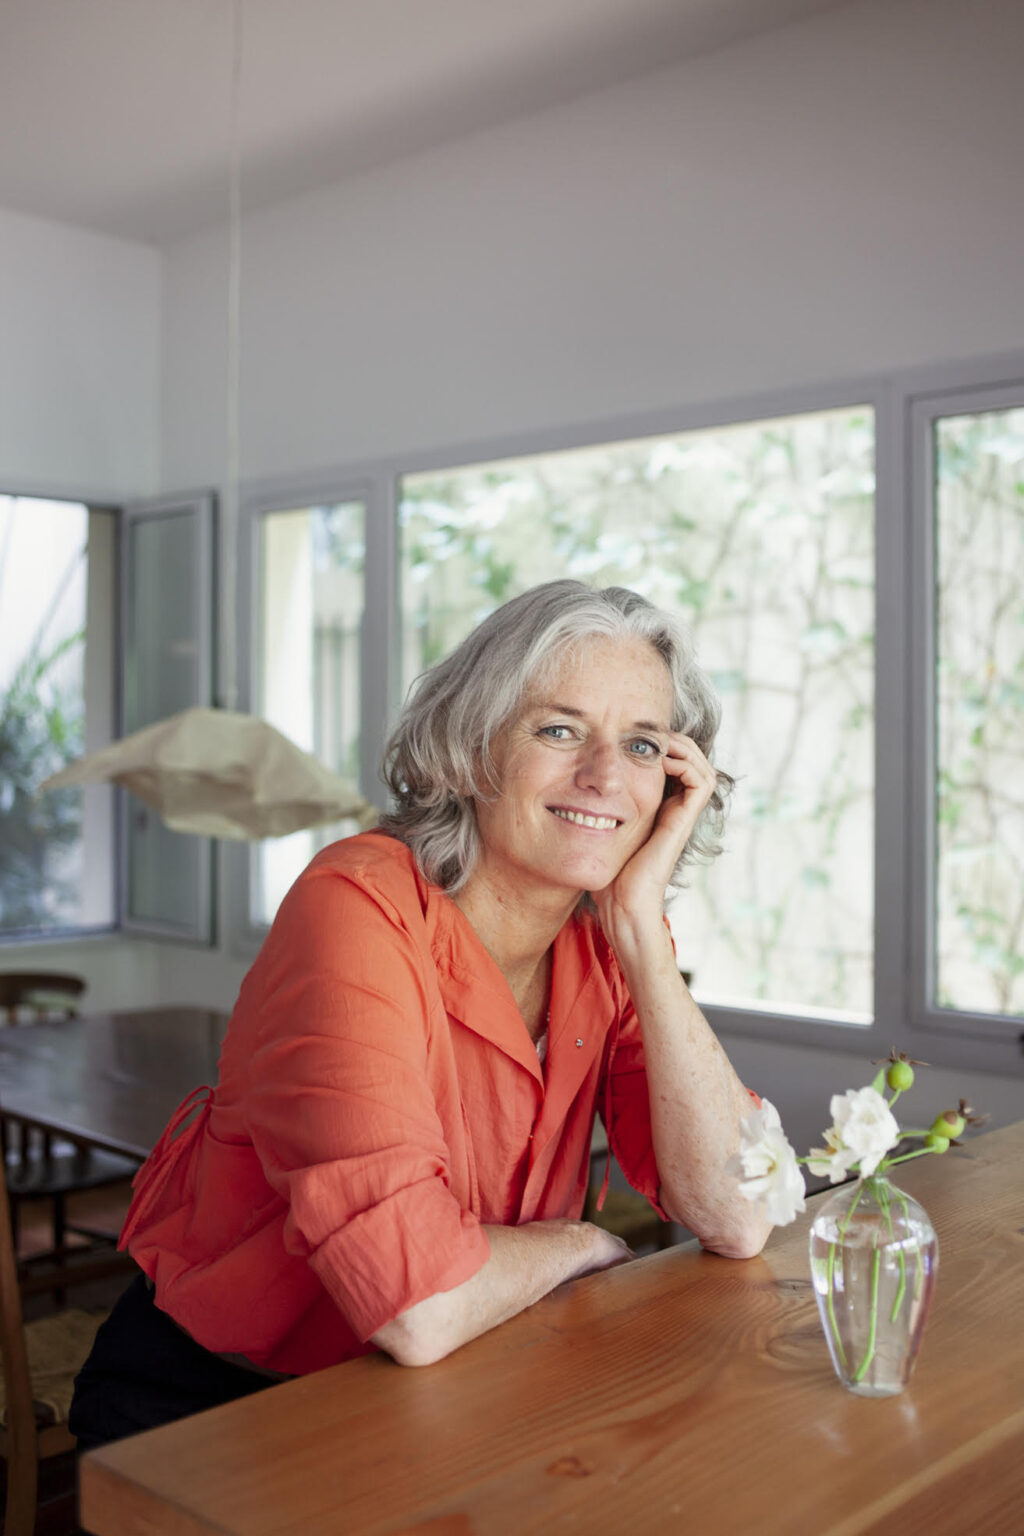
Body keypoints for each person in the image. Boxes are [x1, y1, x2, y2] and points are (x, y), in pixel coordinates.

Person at [70, 580, 770, 1448]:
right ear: (471, 750)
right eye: (559, 730)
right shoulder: (356, 906)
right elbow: (417, 1301)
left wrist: (639, 927)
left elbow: (738, 1211)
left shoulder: (612, 938)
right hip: (229, 1410)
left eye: (640, 745)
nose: (602, 775)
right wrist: (575, 1244)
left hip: (464, 1383)